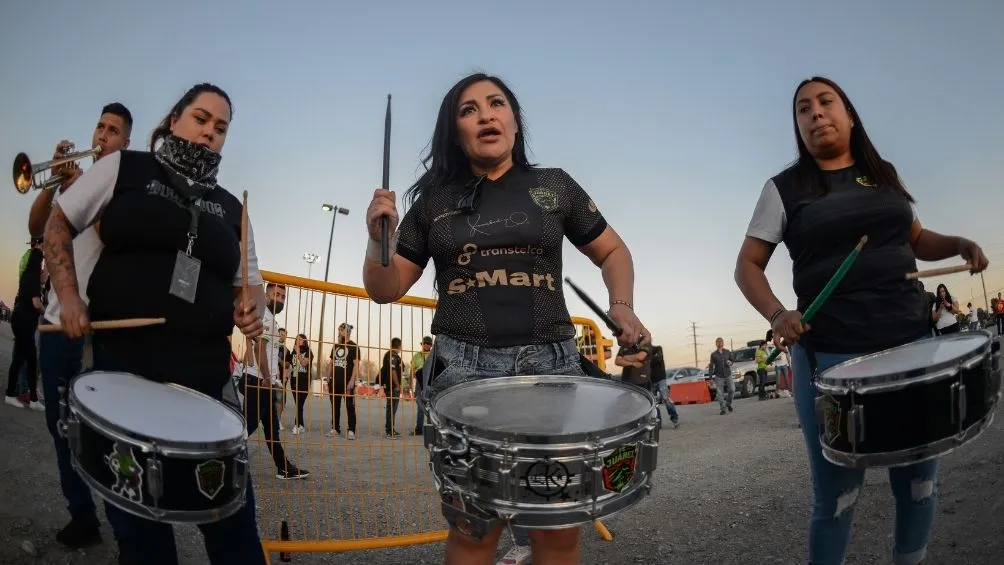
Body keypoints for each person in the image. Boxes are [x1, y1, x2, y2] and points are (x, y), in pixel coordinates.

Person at [362, 72, 649, 565]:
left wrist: (620, 306)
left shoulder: (553, 186)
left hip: (553, 371)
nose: (485, 114)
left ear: (515, 122)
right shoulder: (433, 202)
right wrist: (377, 237)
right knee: (474, 533)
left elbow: (613, 251)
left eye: (496, 104)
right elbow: (384, 289)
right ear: (456, 133)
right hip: (463, 376)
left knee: (556, 532)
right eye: (468, 110)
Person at [735, 75, 989, 565]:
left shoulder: (883, 173)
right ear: (798, 126)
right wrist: (778, 312)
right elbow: (747, 266)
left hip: (911, 346)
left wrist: (956, 243)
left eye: (826, 103)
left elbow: (914, 238)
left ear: (849, 114)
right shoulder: (784, 188)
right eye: (803, 109)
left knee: (919, 485)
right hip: (831, 356)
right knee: (836, 499)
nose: (815, 114)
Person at [44, 82, 270, 565]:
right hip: (122, 374)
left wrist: (251, 307)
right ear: (174, 120)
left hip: (204, 384)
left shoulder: (233, 207)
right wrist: (67, 297)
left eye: (221, 128)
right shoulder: (125, 168)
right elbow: (57, 224)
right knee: (142, 535)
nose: (210, 132)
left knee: (233, 529)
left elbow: (249, 283)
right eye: (201, 118)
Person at [30, 102, 134, 552]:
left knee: (107, 436)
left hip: (99, 331)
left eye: (113, 131)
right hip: (56, 325)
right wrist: (55, 183)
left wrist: (83, 195)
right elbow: (39, 228)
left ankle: (127, 529)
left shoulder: (123, 183)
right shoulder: (75, 184)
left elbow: (114, 234)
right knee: (60, 429)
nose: (102, 135)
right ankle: (82, 516)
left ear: (125, 143)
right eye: (100, 126)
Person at [241, 283, 309, 480]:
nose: (279, 299)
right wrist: (267, 378)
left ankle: (283, 468)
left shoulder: (270, 319)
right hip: (260, 382)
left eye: (283, 297)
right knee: (248, 425)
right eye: (276, 295)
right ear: (266, 295)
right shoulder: (267, 318)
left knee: (271, 428)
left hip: (261, 380)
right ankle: (224, 456)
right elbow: (258, 349)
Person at [4, 237, 45, 411]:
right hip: (24, 322)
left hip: (22, 320)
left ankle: (33, 398)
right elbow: (36, 303)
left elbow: (43, 280)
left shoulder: (29, 276)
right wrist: (48, 313)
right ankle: (10, 394)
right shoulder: (32, 278)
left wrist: (48, 268)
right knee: (21, 359)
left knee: (31, 360)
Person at [326, 322, 359, 439]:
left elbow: (356, 365)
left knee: (350, 405)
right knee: (335, 406)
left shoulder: (353, 346)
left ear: (348, 332)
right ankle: (335, 428)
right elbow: (331, 363)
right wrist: (327, 379)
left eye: (343, 330)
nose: (340, 332)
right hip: (334, 382)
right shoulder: (336, 346)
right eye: (339, 330)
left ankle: (351, 430)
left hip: (347, 382)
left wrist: (351, 381)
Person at [290, 333, 313, 434]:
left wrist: (298, 352)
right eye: (296, 339)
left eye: (300, 339)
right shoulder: (293, 352)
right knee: (298, 404)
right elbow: (292, 365)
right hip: (294, 380)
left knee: (299, 403)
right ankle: (300, 425)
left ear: (304, 341)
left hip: (304, 381)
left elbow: (304, 363)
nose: (297, 341)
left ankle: (297, 425)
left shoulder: (308, 352)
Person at [380, 338, 403, 438]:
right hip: (392, 386)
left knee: (392, 408)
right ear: (399, 346)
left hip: (391, 386)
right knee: (391, 408)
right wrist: (398, 385)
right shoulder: (392, 356)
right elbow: (393, 371)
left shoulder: (392, 355)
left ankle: (391, 429)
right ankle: (389, 431)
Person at [411, 335, 433, 436]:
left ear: (431, 345)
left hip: (430, 382)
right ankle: (419, 428)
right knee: (420, 406)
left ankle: (431, 428)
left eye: (428, 343)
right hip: (420, 383)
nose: (426, 345)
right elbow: (412, 370)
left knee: (431, 406)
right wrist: (410, 385)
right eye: (424, 343)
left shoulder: (433, 355)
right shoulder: (416, 356)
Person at [708, 337, 734, 415]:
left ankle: (728, 404)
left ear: (723, 343)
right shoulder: (713, 355)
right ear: (716, 344)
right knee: (720, 393)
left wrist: (731, 363)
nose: (719, 343)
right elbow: (711, 366)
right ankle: (723, 409)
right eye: (718, 342)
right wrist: (710, 378)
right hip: (718, 375)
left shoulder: (727, 352)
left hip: (728, 374)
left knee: (732, 389)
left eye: (721, 341)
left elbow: (732, 360)